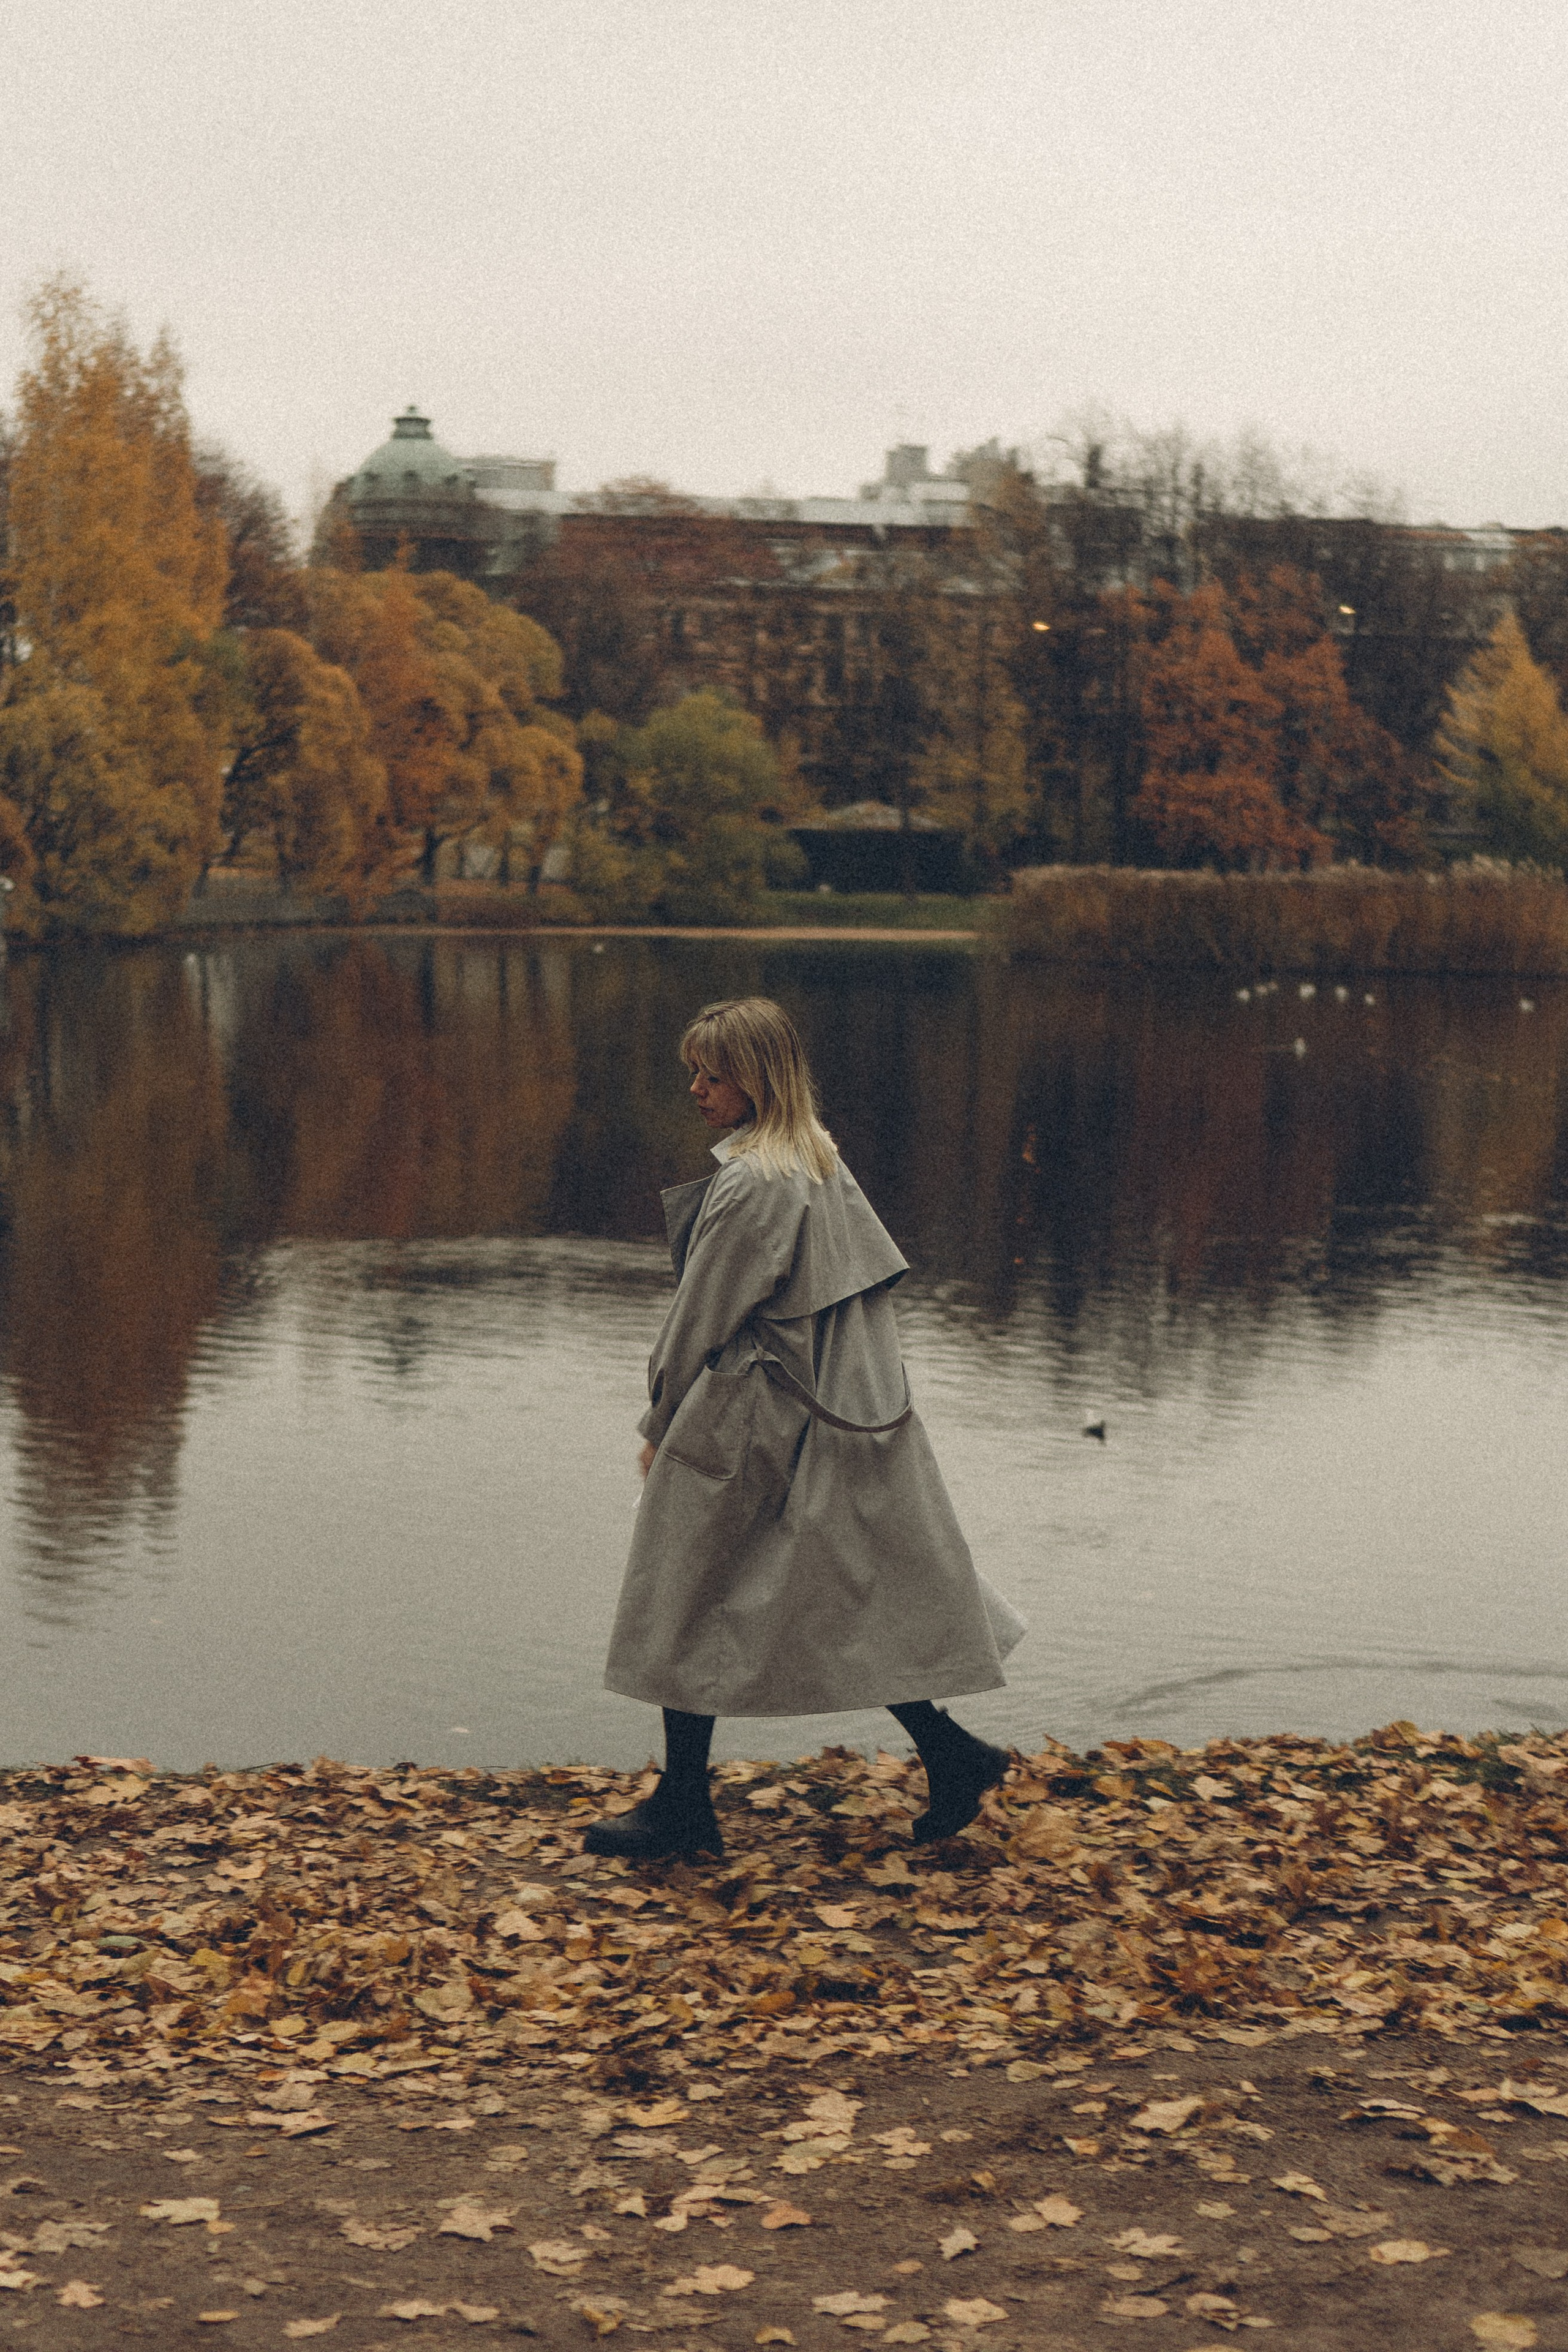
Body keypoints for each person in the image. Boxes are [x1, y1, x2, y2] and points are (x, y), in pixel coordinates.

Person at [586, 997, 1026, 1862]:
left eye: (712, 1074)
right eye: (696, 1072)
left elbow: (699, 1318)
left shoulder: (754, 1181)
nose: (697, 1088)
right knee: (848, 1591)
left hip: (748, 1411)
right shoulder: (817, 1159)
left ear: (754, 1079)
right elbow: (856, 1302)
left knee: (687, 1587)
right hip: (822, 1409)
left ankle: (683, 1807)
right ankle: (951, 1751)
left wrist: (661, 1416)